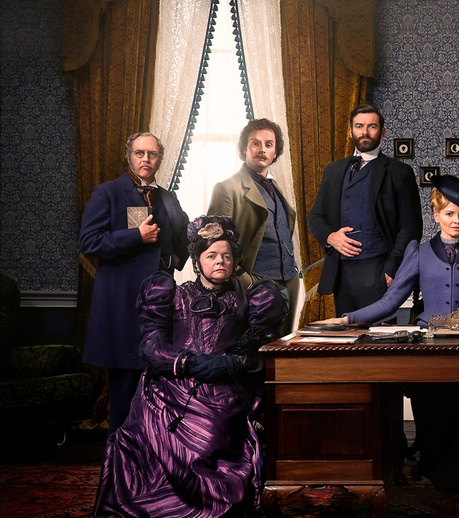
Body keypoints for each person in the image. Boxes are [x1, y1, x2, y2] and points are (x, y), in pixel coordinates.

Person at [319, 175, 459, 492]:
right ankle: (443, 469)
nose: (457, 221)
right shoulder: (418, 252)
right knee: (437, 392)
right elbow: (390, 302)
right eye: (450, 213)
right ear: (436, 214)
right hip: (430, 349)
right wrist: (347, 319)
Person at [94, 216, 287, 517]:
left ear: (235, 261)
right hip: (172, 385)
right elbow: (151, 347)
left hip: (225, 386)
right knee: (145, 428)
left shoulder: (248, 300)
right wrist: (188, 362)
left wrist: (232, 363)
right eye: (211, 255)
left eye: (226, 256)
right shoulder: (172, 294)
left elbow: (262, 351)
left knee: (213, 430)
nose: (220, 261)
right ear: (197, 263)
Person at [79, 131, 190, 434]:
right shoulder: (108, 192)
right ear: (129, 156)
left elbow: (184, 236)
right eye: (140, 153)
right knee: (125, 388)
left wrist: (176, 257)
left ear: (160, 159)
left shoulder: (168, 198)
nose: (146, 159)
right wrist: (136, 236)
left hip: (161, 308)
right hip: (123, 306)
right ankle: (120, 456)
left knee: (158, 387)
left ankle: (151, 454)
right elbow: (88, 241)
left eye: (152, 154)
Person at [308, 104, 423, 316]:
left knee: (378, 336)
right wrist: (330, 237)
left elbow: (411, 228)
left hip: (378, 271)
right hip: (340, 274)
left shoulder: (399, 172)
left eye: (372, 126)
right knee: (346, 335)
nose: (365, 132)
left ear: (382, 132)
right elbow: (315, 216)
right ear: (350, 131)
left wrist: (390, 271)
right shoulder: (333, 170)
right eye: (359, 126)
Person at [208, 118, 299, 332]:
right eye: (255, 143)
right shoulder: (226, 188)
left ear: (275, 152)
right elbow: (215, 244)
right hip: (254, 281)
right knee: (254, 348)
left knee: (283, 347)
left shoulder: (275, 186)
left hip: (289, 280)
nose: (262, 149)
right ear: (244, 149)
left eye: (269, 144)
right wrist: (245, 280)